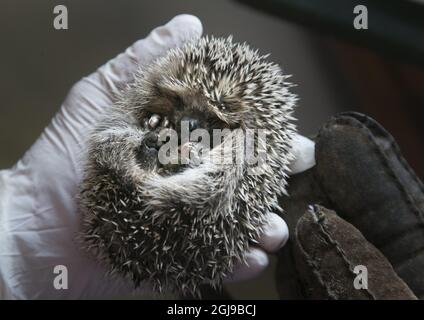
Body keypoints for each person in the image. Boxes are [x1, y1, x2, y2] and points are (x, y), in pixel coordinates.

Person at [0, 14, 315, 299]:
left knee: (221, 179)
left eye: (215, 119)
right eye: (177, 100)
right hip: (140, 178)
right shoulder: (150, 101)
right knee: (126, 144)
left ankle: (172, 167)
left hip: (191, 189)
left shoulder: (241, 143)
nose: (187, 124)